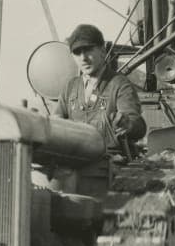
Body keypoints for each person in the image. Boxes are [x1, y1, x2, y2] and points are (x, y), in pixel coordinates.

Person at [52, 24, 146, 154]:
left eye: (88, 50)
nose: (83, 58)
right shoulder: (70, 87)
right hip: (75, 161)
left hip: (110, 163)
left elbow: (138, 126)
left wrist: (128, 124)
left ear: (102, 51)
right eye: (77, 52)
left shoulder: (119, 84)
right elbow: (56, 122)